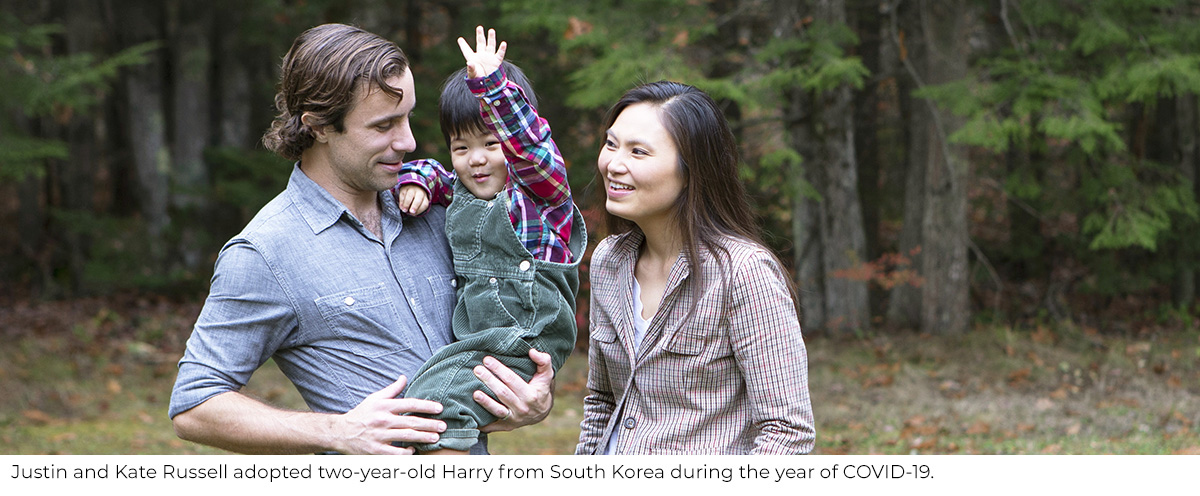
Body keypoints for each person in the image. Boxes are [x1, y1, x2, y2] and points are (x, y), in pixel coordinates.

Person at [168, 23, 553, 455]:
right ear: (318, 126)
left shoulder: (439, 209)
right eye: (384, 125)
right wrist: (337, 432)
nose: (407, 140)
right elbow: (195, 405)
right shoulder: (265, 252)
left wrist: (527, 399)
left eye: (407, 116)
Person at [575, 81, 815, 455]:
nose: (613, 164)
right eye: (611, 144)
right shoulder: (609, 260)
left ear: (691, 170)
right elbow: (602, 403)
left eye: (638, 152)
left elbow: (787, 431)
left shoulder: (744, 272)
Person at [392, 26, 584, 454]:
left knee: (434, 402)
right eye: (461, 148)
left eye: (490, 144)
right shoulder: (462, 187)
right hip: (482, 338)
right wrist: (418, 182)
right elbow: (433, 170)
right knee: (424, 391)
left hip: (529, 334)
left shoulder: (540, 196)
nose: (476, 159)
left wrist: (493, 88)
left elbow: (532, 148)